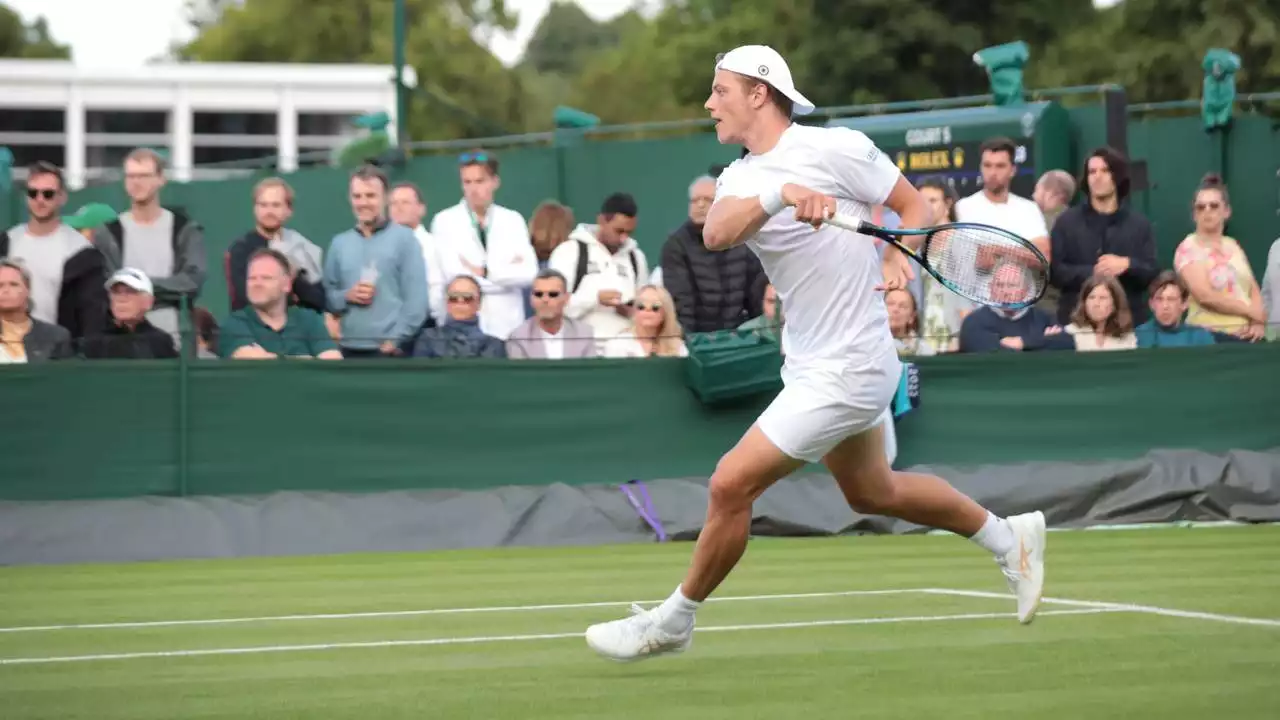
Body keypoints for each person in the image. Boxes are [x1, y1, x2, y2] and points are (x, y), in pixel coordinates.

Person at [584, 45, 1047, 662]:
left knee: (729, 485)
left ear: (759, 93)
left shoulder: (841, 149)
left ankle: (674, 620)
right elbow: (718, 233)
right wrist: (782, 196)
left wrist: (891, 265)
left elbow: (910, 209)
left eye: (720, 90)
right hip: (807, 362)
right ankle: (1007, 538)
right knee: (873, 492)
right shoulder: (738, 177)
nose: (709, 102)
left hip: (853, 365)